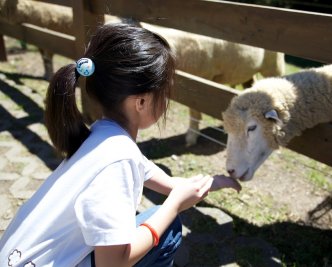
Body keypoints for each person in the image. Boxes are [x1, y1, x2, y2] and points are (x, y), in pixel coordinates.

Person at [0, 23, 241, 267]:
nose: (167, 100)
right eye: (165, 92)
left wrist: (211, 183)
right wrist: (173, 207)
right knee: (167, 228)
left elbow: (157, 176)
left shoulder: (101, 136)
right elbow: (113, 264)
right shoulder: (118, 162)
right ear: (142, 102)